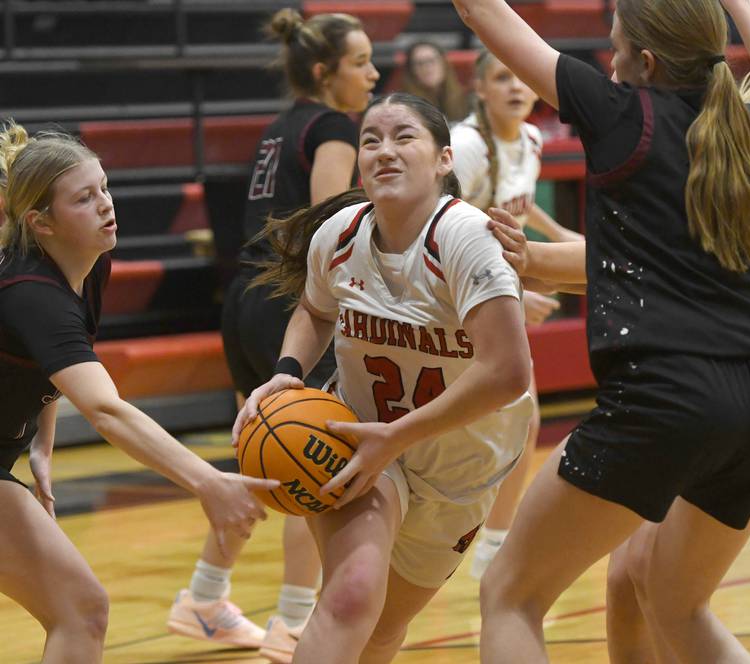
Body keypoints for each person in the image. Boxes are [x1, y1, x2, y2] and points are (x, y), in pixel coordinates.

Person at [452, 0, 750, 661]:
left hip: (667, 396)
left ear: (646, 61)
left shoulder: (621, 112)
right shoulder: (749, 129)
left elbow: (481, 11)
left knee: (510, 594)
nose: (608, 64)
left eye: (615, 50)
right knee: (672, 603)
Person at [232, 91, 533, 664]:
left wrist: (400, 435)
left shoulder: (466, 239)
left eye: (403, 137)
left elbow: (508, 373)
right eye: (370, 140)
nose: (383, 151)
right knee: (349, 597)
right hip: (363, 440)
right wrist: (288, 373)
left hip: (461, 469)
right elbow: (316, 310)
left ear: (444, 159)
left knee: (384, 631)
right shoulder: (340, 235)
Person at [0, 123, 275, 664]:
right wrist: (208, 481)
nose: (106, 205)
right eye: (84, 198)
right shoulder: (31, 292)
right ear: (41, 223)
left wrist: (40, 445)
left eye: (103, 187)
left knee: (81, 611)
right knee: (81, 611)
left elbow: (49, 368)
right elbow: (104, 408)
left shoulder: (90, 262)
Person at [166, 8, 379, 661]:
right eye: (361, 62)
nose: (374, 74)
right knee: (308, 459)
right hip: (289, 297)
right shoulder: (335, 126)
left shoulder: (280, 127)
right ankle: (293, 621)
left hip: (243, 297)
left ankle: (205, 597)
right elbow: (329, 223)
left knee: (262, 460)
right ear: (324, 71)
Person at [603, 71, 750, 664]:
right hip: (704, 388)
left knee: (670, 596)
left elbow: (597, 260)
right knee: (626, 573)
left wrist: (522, 256)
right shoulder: (674, 161)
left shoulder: (715, 171)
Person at [450, 49, 582, 578]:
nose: (514, 86)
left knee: (520, 416)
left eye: (519, 76)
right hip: (444, 295)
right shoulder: (464, 146)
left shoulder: (529, 139)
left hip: (488, 293)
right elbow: (435, 229)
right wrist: (509, 299)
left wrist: (557, 237)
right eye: (500, 77)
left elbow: (518, 201)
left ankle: (495, 547)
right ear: (479, 88)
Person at [400, 41, 469, 123]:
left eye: (431, 60)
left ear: (444, 63)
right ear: (411, 71)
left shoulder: (466, 99)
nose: (427, 67)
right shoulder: (404, 106)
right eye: (419, 63)